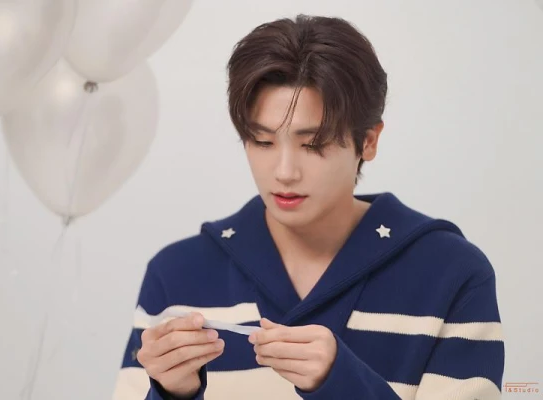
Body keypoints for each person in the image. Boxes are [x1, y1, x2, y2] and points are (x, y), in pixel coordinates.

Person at [112, 14, 504, 400]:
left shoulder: (450, 273)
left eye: (313, 144)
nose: (284, 172)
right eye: (262, 141)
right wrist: (171, 394)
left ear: (368, 141)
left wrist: (343, 385)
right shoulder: (177, 274)